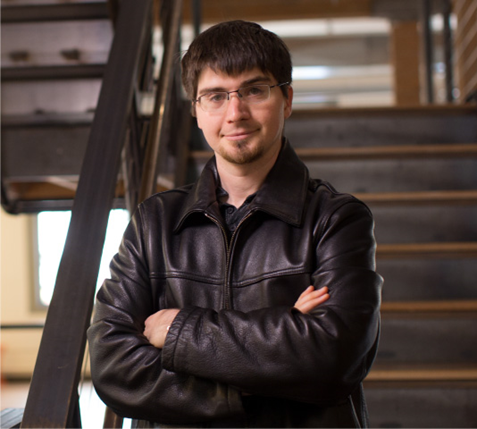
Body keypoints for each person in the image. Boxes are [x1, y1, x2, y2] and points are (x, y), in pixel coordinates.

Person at [87, 20, 382, 428]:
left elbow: (334, 358)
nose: (235, 113)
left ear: (287, 99)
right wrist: (281, 337)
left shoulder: (336, 219)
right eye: (215, 96)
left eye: (255, 90)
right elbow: (112, 365)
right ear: (196, 111)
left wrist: (177, 330)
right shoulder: (154, 222)